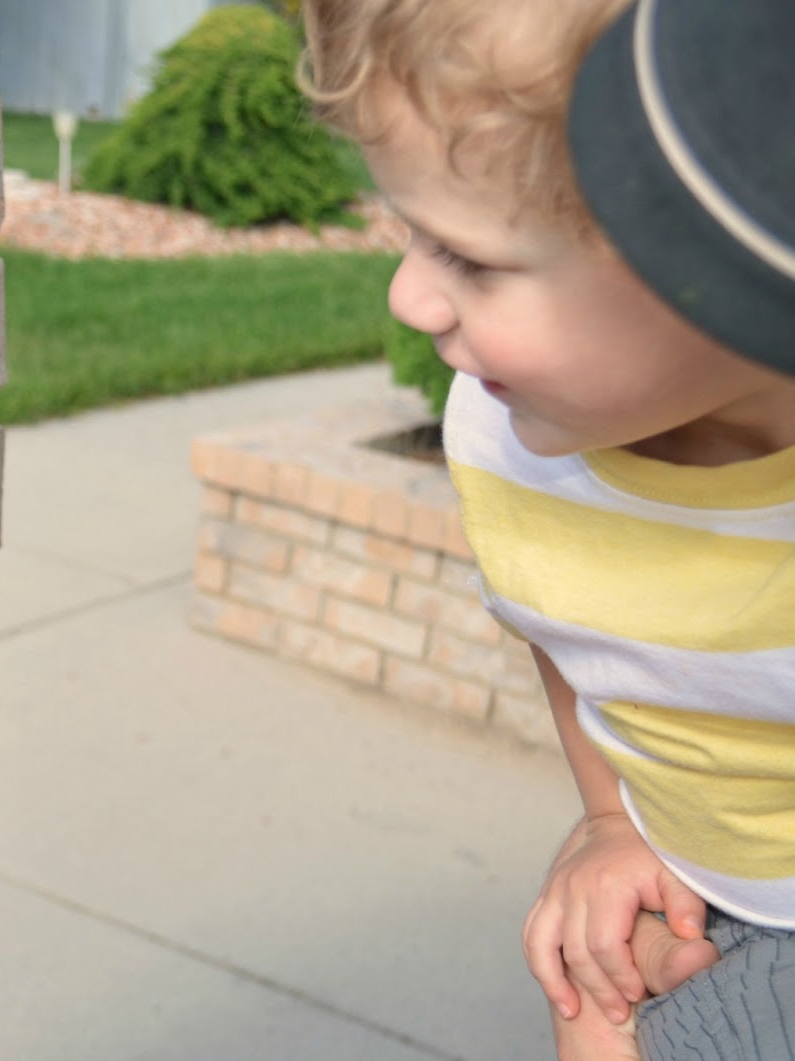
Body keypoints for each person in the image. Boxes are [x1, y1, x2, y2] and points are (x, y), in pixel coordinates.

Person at [299, 0, 795, 1057]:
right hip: (700, 885)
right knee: (587, 984)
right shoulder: (509, 435)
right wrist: (611, 821)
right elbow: (571, 630)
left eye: (471, 260)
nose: (408, 297)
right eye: (408, 233)